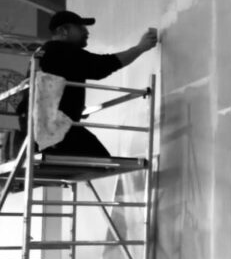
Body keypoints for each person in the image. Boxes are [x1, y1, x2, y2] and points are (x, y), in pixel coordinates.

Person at [14, 11, 158, 158]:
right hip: (53, 129)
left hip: (39, 127)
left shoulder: (44, 51)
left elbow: (50, 89)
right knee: (102, 162)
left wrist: (75, 108)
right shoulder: (61, 50)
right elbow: (102, 66)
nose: (86, 32)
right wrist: (140, 48)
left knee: (99, 161)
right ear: (63, 31)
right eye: (80, 28)